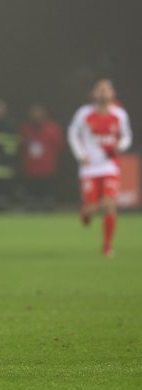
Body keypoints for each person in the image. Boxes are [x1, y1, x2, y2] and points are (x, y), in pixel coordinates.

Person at [67, 79, 132, 257]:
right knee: (91, 208)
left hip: (110, 166)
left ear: (112, 93)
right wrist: (80, 154)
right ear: (93, 94)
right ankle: (86, 215)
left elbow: (127, 136)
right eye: (100, 89)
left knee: (109, 205)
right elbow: (72, 133)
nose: (103, 92)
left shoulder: (119, 114)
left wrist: (122, 146)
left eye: (107, 89)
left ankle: (107, 246)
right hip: (89, 168)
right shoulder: (83, 113)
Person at [18, 103, 64, 210]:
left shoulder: (52, 129)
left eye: (39, 113)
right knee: (31, 196)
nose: (36, 116)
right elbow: (20, 145)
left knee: (47, 195)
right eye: (34, 113)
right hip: (30, 169)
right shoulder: (25, 129)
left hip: (47, 169)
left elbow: (59, 145)